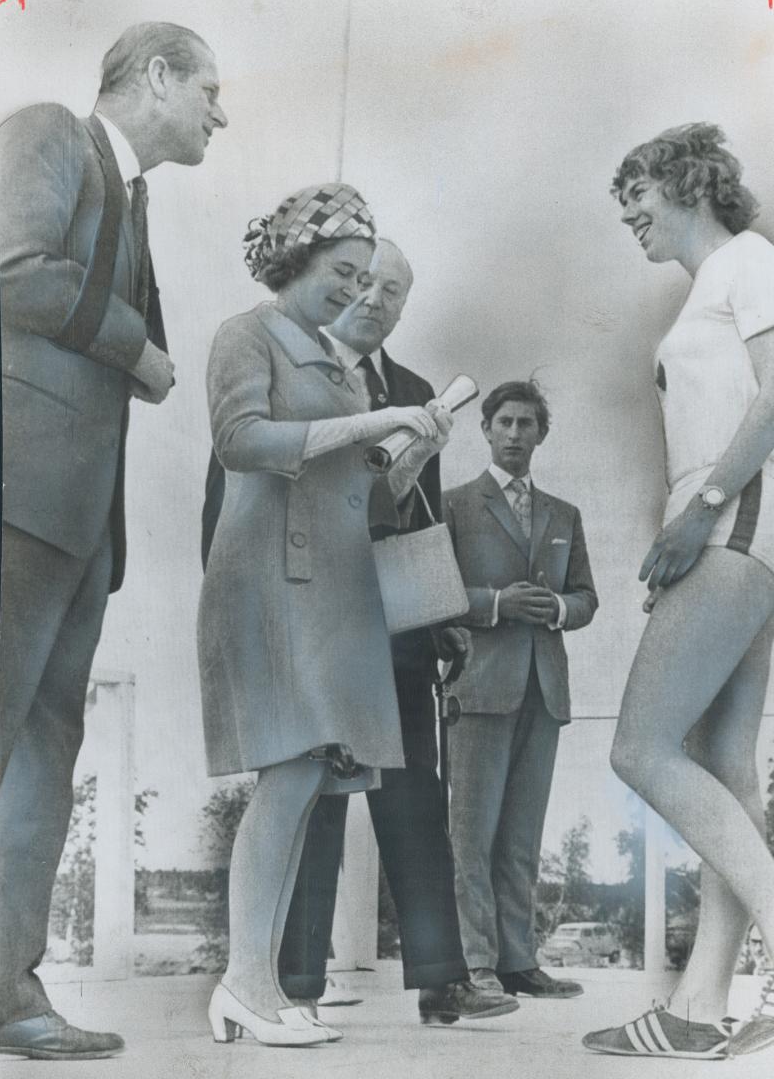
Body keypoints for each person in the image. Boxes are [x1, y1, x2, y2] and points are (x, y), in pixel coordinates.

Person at [0, 22, 227, 1060]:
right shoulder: (48, 130)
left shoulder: (132, 196)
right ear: (158, 75)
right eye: (210, 91)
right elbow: (14, 269)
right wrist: (139, 347)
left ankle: (10, 997)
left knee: (43, 759)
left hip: (77, 525)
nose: (220, 114)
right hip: (17, 499)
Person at [198, 187, 452, 1048]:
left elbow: (363, 498)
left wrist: (408, 454)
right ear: (296, 261)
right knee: (286, 777)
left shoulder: (335, 364)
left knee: (306, 782)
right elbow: (240, 441)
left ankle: (255, 985)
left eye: (364, 278)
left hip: (336, 591)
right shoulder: (248, 333)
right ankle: (245, 983)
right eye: (342, 273)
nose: (353, 292)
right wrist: (373, 417)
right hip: (271, 578)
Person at [271, 239, 519, 1026]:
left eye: (397, 293)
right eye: (368, 283)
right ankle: (295, 985)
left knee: (416, 798)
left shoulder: (414, 390)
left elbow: (419, 518)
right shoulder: (294, 372)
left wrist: (442, 615)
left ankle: (442, 980)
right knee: (312, 796)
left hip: (397, 626)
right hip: (313, 618)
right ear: (338, 285)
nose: (379, 300)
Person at [583, 122, 774, 1061]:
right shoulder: (714, 282)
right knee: (725, 764)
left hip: (733, 527)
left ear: (690, 183)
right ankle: (699, 1006)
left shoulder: (749, 261)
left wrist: (700, 511)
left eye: (638, 191)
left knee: (640, 749)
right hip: (734, 531)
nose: (628, 213)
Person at [443, 380, 598, 1002]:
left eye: (526, 424)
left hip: (545, 689)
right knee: (471, 836)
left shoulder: (565, 515)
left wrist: (558, 607)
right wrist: (495, 604)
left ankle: (518, 962)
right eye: (503, 422)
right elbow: (432, 595)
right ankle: (476, 966)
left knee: (522, 836)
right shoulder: (454, 505)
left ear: (541, 434)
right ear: (484, 429)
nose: (513, 433)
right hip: (478, 687)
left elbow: (587, 597)